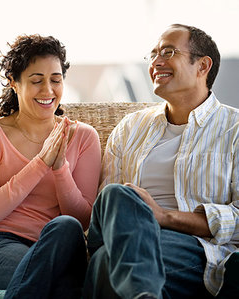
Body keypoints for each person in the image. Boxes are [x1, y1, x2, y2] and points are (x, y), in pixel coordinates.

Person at [83, 24, 238, 299]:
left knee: (106, 263)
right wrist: (140, 216)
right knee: (117, 195)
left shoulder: (234, 129)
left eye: (168, 51)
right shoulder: (130, 128)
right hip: (118, 235)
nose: (155, 62)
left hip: (190, 248)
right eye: (152, 55)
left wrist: (165, 217)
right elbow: (107, 208)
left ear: (202, 65)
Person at [0, 34, 101, 298]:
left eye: (55, 80)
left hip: (59, 247)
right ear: (13, 83)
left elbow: (82, 220)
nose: (48, 91)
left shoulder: (83, 137)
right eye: (36, 81)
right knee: (64, 280)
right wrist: (41, 163)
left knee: (66, 227)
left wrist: (60, 168)